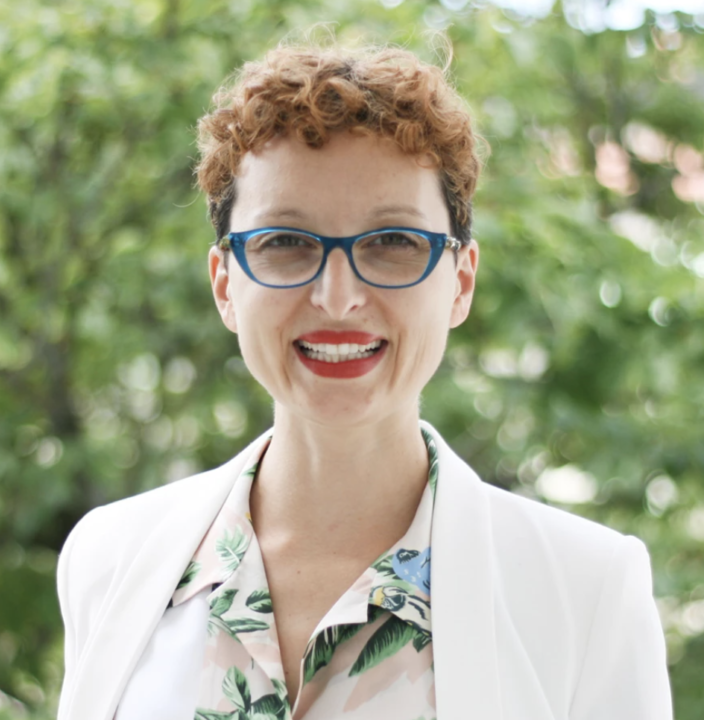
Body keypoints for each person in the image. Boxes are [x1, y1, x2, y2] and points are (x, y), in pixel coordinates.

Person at [55, 40, 673, 720]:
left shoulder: (586, 592)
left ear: (460, 282)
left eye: (394, 242)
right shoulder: (109, 559)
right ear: (225, 284)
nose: (338, 296)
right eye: (286, 242)